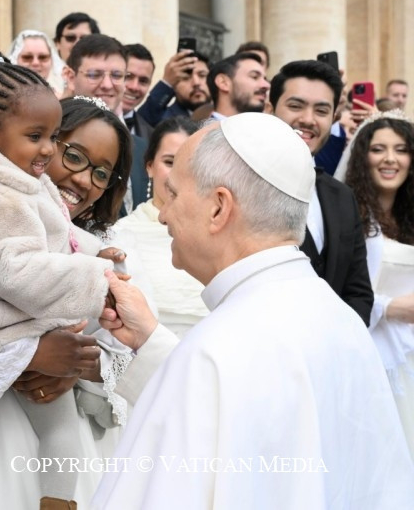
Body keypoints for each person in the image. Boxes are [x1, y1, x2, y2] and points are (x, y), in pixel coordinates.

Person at [93, 112, 414, 509]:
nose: (163, 214)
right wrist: (150, 340)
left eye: (173, 195)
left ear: (218, 208)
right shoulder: (339, 317)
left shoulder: (215, 350)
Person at [0, 95, 177, 510]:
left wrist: (80, 365)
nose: (83, 179)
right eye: (74, 156)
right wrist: (29, 356)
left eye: (101, 173)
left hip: (63, 444)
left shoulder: (112, 250)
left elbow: (133, 360)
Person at [270, 60, 373, 325]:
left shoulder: (342, 196)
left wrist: (342, 341)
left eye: (321, 110)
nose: (308, 119)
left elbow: (358, 291)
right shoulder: (239, 183)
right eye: (295, 106)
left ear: (333, 118)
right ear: (270, 109)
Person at [343, 110, 414, 459]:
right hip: (372, 352)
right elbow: (337, 289)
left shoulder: (409, 216)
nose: (390, 159)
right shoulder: (351, 217)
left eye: (401, 150)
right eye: (378, 149)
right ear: (362, 157)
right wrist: (389, 307)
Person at [113, 117, 208, 335]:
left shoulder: (215, 236)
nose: (177, 174)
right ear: (149, 166)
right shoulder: (121, 233)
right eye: (169, 162)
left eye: (189, 163)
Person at [64, 34, 147, 213]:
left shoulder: (141, 147)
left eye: (117, 75)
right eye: (95, 75)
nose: (108, 85)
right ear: (70, 77)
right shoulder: (53, 131)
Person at [138, 51, 210, 127]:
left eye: (202, 75)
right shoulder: (163, 121)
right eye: (186, 78)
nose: (196, 82)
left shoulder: (218, 116)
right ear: (174, 85)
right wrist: (166, 83)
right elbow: (142, 120)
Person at [207, 51, 269, 120]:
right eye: (254, 77)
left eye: (265, 79)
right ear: (223, 82)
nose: (267, 85)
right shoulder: (205, 127)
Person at [8, 29, 63, 94]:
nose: (35, 63)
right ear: (14, 59)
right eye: (27, 57)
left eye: (43, 57)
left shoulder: (62, 94)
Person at [121, 43, 154, 139]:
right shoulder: (85, 119)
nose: (134, 87)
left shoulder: (151, 137)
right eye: (128, 77)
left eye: (143, 81)